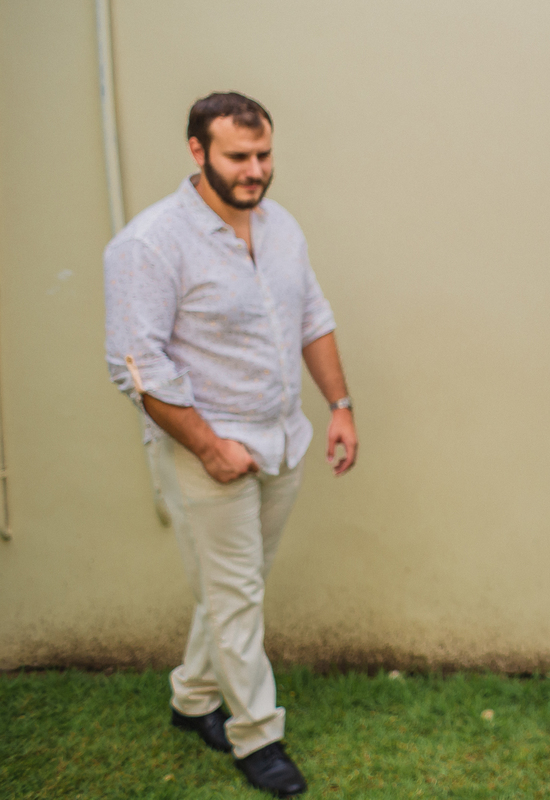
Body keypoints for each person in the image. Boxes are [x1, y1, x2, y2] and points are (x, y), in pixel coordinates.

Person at [104, 92, 358, 798]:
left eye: (263, 155)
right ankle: (258, 736)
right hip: (205, 452)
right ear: (197, 152)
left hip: (282, 441)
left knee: (233, 590)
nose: (255, 170)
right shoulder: (149, 243)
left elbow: (313, 316)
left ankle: (192, 697)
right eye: (237, 157)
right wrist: (211, 446)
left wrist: (339, 407)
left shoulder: (280, 228)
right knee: (236, 595)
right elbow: (136, 365)